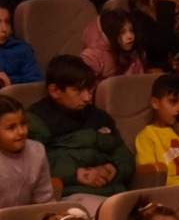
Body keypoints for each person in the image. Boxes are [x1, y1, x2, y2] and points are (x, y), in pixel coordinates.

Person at [30, 56, 133, 196]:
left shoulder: (99, 117)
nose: (87, 97)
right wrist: (77, 174)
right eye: (78, 90)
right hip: (72, 194)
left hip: (115, 192)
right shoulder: (37, 121)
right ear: (55, 91)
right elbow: (32, 167)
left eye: (88, 90)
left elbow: (124, 155)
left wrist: (111, 169)